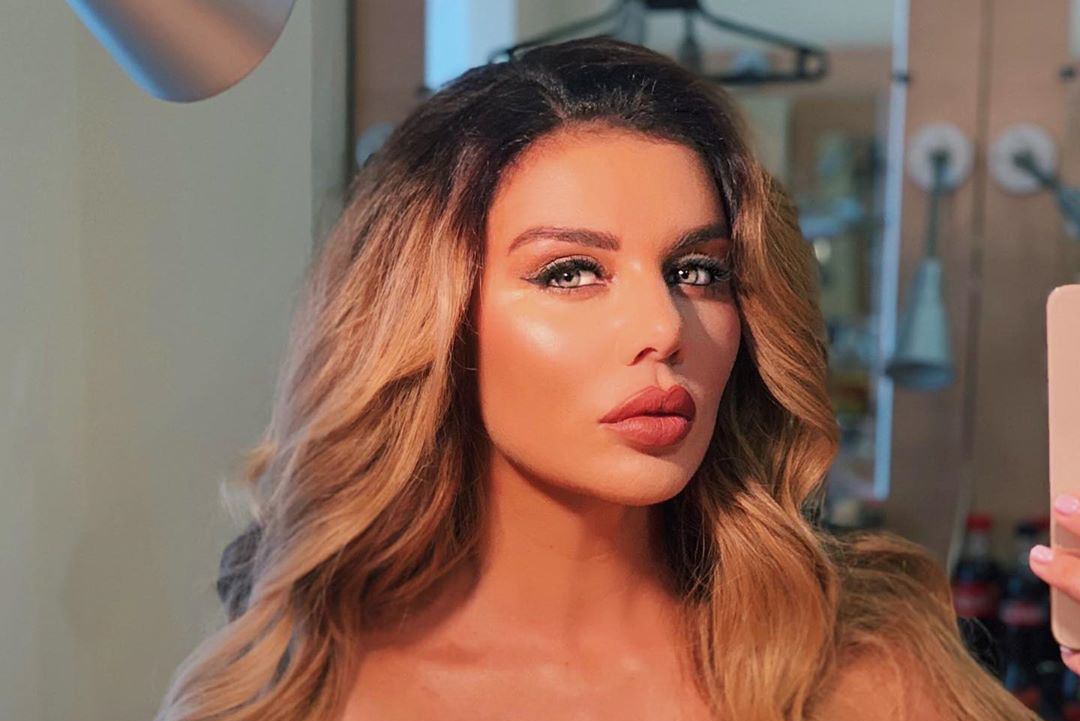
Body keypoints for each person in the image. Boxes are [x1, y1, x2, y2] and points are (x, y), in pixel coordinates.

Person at [153, 37, 1041, 721]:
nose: (665, 328)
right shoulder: (298, 694)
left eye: (698, 271)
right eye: (571, 272)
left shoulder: (866, 669)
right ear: (436, 320)